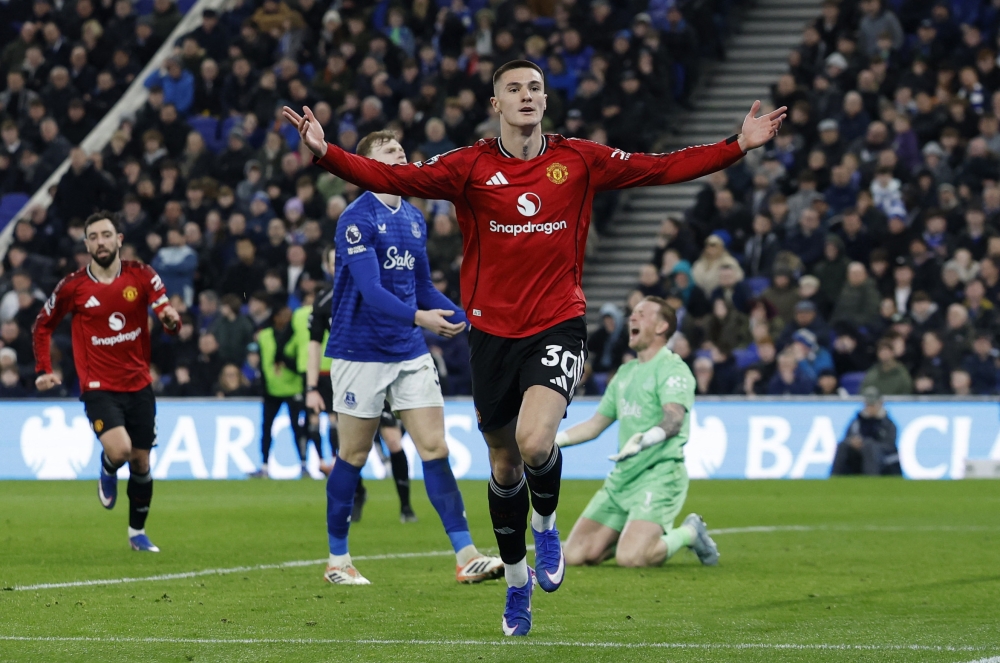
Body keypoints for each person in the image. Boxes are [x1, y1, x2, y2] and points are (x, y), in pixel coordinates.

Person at [284, 60, 783, 635]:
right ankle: (517, 582)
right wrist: (327, 153)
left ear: (545, 100)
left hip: (557, 322)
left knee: (533, 440)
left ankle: (545, 526)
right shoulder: (468, 166)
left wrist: (735, 146)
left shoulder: (577, 159)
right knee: (502, 461)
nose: (526, 96)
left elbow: (660, 169)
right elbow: (397, 180)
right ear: (496, 103)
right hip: (492, 334)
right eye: (513, 89)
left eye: (535, 88)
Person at [310, 130, 503, 587]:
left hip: (408, 351)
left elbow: (422, 288)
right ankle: (338, 561)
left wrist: (471, 317)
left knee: (435, 448)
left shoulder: (414, 219)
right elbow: (373, 293)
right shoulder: (355, 220)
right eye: (388, 149)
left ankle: (466, 555)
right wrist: (422, 318)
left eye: (401, 146)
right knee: (353, 455)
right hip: (360, 352)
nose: (400, 150)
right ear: (367, 164)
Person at [32, 211, 181, 552]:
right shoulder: (73, 286)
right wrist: (43, 368)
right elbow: (43, 324)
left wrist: (172, 321)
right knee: (121, 450)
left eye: (106, 235)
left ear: (119, 240)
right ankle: (108, 465)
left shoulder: (141, 275)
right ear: (86, 244)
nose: (100, 242)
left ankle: (136, 533)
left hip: (139, 384)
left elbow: (167, 314)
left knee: (142, 463)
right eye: (94, 237)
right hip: (98, 387)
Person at [555, 297, 719, 569]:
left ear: (661, 326)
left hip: (659, 474)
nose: (632, 318)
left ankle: (689, 532)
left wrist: (646, 440)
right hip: (623, 478)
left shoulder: (673, 368)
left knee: (632, 559)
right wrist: (551, 442)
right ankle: (633, 534)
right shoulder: (625, 373)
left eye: (642, 314)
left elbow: (674, 419)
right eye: (633, 313)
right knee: (575, 555)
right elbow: (595, 425)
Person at [831, 386, 900, 476]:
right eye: (868, 405)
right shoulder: (857, 422)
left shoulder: (888, 424)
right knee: (843, 446)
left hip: (880, 457)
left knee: (869, 446)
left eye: (873, 405)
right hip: (858, 455)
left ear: (880, 403)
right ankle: (835, 478)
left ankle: (871, 479)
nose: (870, 408)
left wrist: (867, 443)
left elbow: (889, 445)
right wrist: (853, 442)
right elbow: (848, 437)